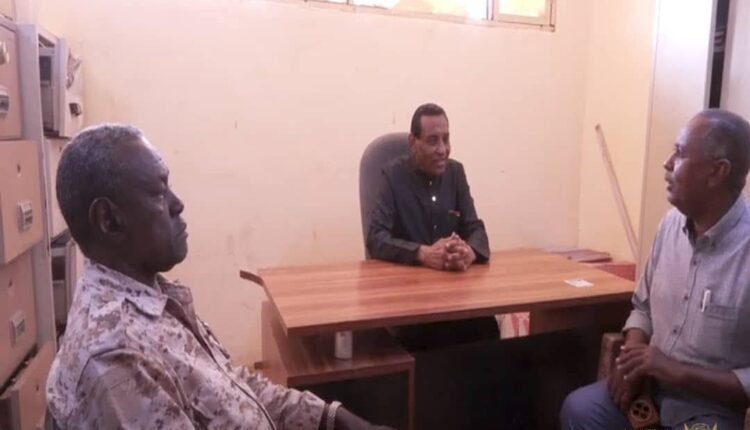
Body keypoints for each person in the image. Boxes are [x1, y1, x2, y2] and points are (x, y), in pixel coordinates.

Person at [46, 124, 393, 430]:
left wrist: (333, 418)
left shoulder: (149, 297)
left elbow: (233, 389)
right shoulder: (116, 354)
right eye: (159, 193)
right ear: (109, 220)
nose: (177, 204)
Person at [560, 109, 750, 430]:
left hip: (710, 411)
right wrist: (634, 359)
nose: (667, 163)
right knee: (581, 409)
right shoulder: (670, 226)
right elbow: (642, 307)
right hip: (650, 391)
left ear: (717, 172)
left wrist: (677, 371)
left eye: (680, 153)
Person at [366, 102, 489, 272]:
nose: (442, 150)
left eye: (446, 139)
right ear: (412, 142)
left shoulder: (456, 173)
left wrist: (468, 252)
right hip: (407, 279)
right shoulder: (393, 175)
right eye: (432, 141)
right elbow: (376, 238)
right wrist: (422, 253)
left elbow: (475, 229)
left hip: (451, 279)